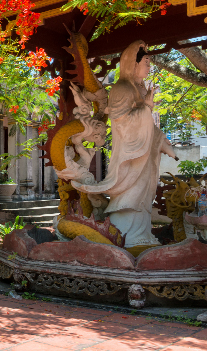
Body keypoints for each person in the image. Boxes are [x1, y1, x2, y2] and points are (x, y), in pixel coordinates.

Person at [72, 40, 177, 248]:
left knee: (143, 197)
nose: (149, 66)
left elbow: (149, 127)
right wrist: (146, 108)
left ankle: (141, 233)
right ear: (133, 63)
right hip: (130, 156)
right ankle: (127, 234)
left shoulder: (138, 88)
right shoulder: (122, 88)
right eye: (146, 61)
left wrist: (162, 141)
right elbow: (122, 122)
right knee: (131, 196)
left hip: (144, 156)